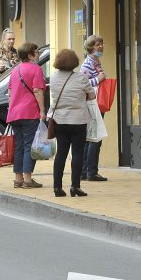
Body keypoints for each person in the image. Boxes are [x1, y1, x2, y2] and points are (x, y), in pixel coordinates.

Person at [50, 49, 96, 197]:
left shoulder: (53, 78)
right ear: (74, 62)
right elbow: (92, 95)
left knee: (61, 154)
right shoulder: (81, 78)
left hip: (60, 121)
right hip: (78, 121)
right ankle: (75, 187)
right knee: (77, 154)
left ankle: (57, 187)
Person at [7, 42, 46, 189]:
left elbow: (10, 94)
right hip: (30, 112)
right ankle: (28, 180)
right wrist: (42, 110)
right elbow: (37, 91)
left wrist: (10, 111)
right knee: (30, 146)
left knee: (19, 146)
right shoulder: (36, 69)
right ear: (30, 55)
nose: (38, 54)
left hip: (14, 113)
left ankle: (18, 179)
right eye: (36, 52)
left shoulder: (15, 70)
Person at [79, 35, 108, 182]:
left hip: (97, 103)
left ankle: (85, 171)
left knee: (92, 136)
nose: (101, 46)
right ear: (91, 47)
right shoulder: (87, 64)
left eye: (102, 43)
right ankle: (91, 171)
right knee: (94, 137)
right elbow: (82, 84)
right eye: (97, 44)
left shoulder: (96, 62)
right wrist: (99, 79)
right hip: (92, 104)